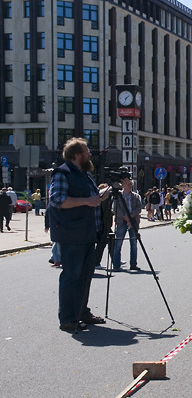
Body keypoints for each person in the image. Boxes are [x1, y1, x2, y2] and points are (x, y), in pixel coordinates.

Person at [48, 137, 110, 332]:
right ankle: (67, 318)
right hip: (72, 234)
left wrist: (101, 197)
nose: (90, 154)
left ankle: (82, 312)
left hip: (87, 233)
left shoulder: (84, 174)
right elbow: (57, 200)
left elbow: (90, 200)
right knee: (71, 275)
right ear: (76, 155)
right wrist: (87, 201)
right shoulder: (63, 173)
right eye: (86, 151)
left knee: (85, 275)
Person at [112, 176, 143, 271]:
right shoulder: (118, 196)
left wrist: (131, 215)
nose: (130, 185)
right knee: (118, 243)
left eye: (131, 184)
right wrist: (124, 217)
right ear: (123, 185)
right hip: (122, 222)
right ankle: (116, 265)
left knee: (133, 243)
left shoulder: (136, 196)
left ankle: (133, 264)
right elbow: (114, 208)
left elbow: (139, 208)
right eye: (128, 184)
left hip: (133, 221)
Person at [92, 183, 114, 270]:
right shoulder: (96, 198)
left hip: (103, 224)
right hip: (97, 224)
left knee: (108, 240)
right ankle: (96, 262)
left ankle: (115, 259)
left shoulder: (106, 199)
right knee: (101, 242)